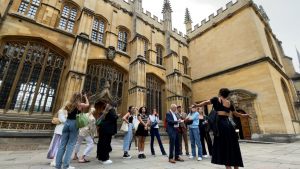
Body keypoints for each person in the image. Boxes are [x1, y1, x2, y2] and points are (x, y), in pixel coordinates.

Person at [191, 88, 251, 169]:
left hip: (221, 125)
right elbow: (236, 114)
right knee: (233, 146)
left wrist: (197, 105)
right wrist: (245, 115)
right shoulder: (229, 103)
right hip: (229, 125)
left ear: (219, 93)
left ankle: (228, 167)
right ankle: (236, 167)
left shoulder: (217, 99)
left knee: (225, 147)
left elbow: (206, 102)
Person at [55, 92, 89, 169]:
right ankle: (66, 166)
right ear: (80, 98)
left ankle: (57, 165)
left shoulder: (68, 103)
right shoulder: (80, 105)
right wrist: (85, 97)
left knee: (62, 145)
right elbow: (87, 104)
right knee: (70, 145)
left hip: (67, 123)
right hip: (74, 123)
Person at [47, 102, 68, 167]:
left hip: (65, 130)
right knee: (58, 145)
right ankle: (54, 160)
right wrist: (69, 120)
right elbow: (62, 120)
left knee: (61, 146)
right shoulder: (61, 111)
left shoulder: (67, 112)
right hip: (60, 131)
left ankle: (57, 159)